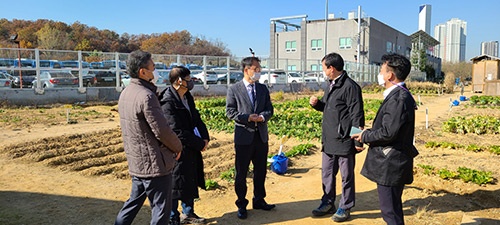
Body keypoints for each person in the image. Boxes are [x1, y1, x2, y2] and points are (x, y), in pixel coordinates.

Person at [115, 50, 182, 225]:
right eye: (153, 67)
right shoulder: (147, 96)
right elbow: (162, 130)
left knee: (133, 203)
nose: (155, 71)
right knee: (160, 210)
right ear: (142, 72)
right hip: (154, 165)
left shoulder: (126, 93)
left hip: (137, 162)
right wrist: (178, 147)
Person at [352, 53, 419, 225]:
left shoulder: (398, 98)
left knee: (390, 212)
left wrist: (365, 135)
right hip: (393, 162)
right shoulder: (399, 95)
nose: (380, 74)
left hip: (391, 164)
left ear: (390, 75)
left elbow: (388, 133)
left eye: (382, 70)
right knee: (393, 209)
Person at [309, 52, 365, 222]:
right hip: (329, 139)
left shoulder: (350, 87)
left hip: (344, 140)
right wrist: (318, 104)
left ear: (331, 68)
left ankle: (345, 206)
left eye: (324, 67)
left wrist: (357, 140)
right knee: (327, 173)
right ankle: (327, 202)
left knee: (346, 176)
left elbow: (357, 115)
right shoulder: (331, 85)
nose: (323, 71)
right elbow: (328, 108)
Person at [159, 66, 210, 225]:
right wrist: (198, 143)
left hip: (191, 147)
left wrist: (205, 138)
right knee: (175, 183)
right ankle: (173, 217)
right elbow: (176, 130)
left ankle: (188, 213)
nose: (191, 82)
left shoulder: (187, 96)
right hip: (176, 148)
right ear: (179, 81)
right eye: (189, 79)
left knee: (188, 179)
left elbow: (196, 118)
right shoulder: (167, 101)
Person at [226, 56, 275, 220]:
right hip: (244, 137)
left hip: (261, 137)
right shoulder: (234, 89)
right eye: (256, 69)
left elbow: (269, 109)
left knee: (260, 171)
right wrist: (247, 117)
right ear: (247, 70)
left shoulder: (262, 89)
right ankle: (241, 204)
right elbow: (230, 112)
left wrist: (262, 117)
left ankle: (259, 199)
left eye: (259, 69)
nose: (258, 72)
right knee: (241, 173)